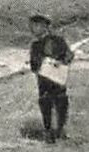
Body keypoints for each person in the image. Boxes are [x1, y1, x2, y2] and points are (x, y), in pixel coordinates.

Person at [29, 14, 74, 143]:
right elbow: (33, 65)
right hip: (44, 80)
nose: (33, 29)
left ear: (45, 27)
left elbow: (69, 55)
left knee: (61, 104)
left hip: (58, 78)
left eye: (37, 26)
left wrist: (61, 62)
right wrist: (42, 64)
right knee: (46, 104)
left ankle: (59, 129)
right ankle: (49, 131)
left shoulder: (58, 41)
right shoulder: (35, 45)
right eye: (32, 26)